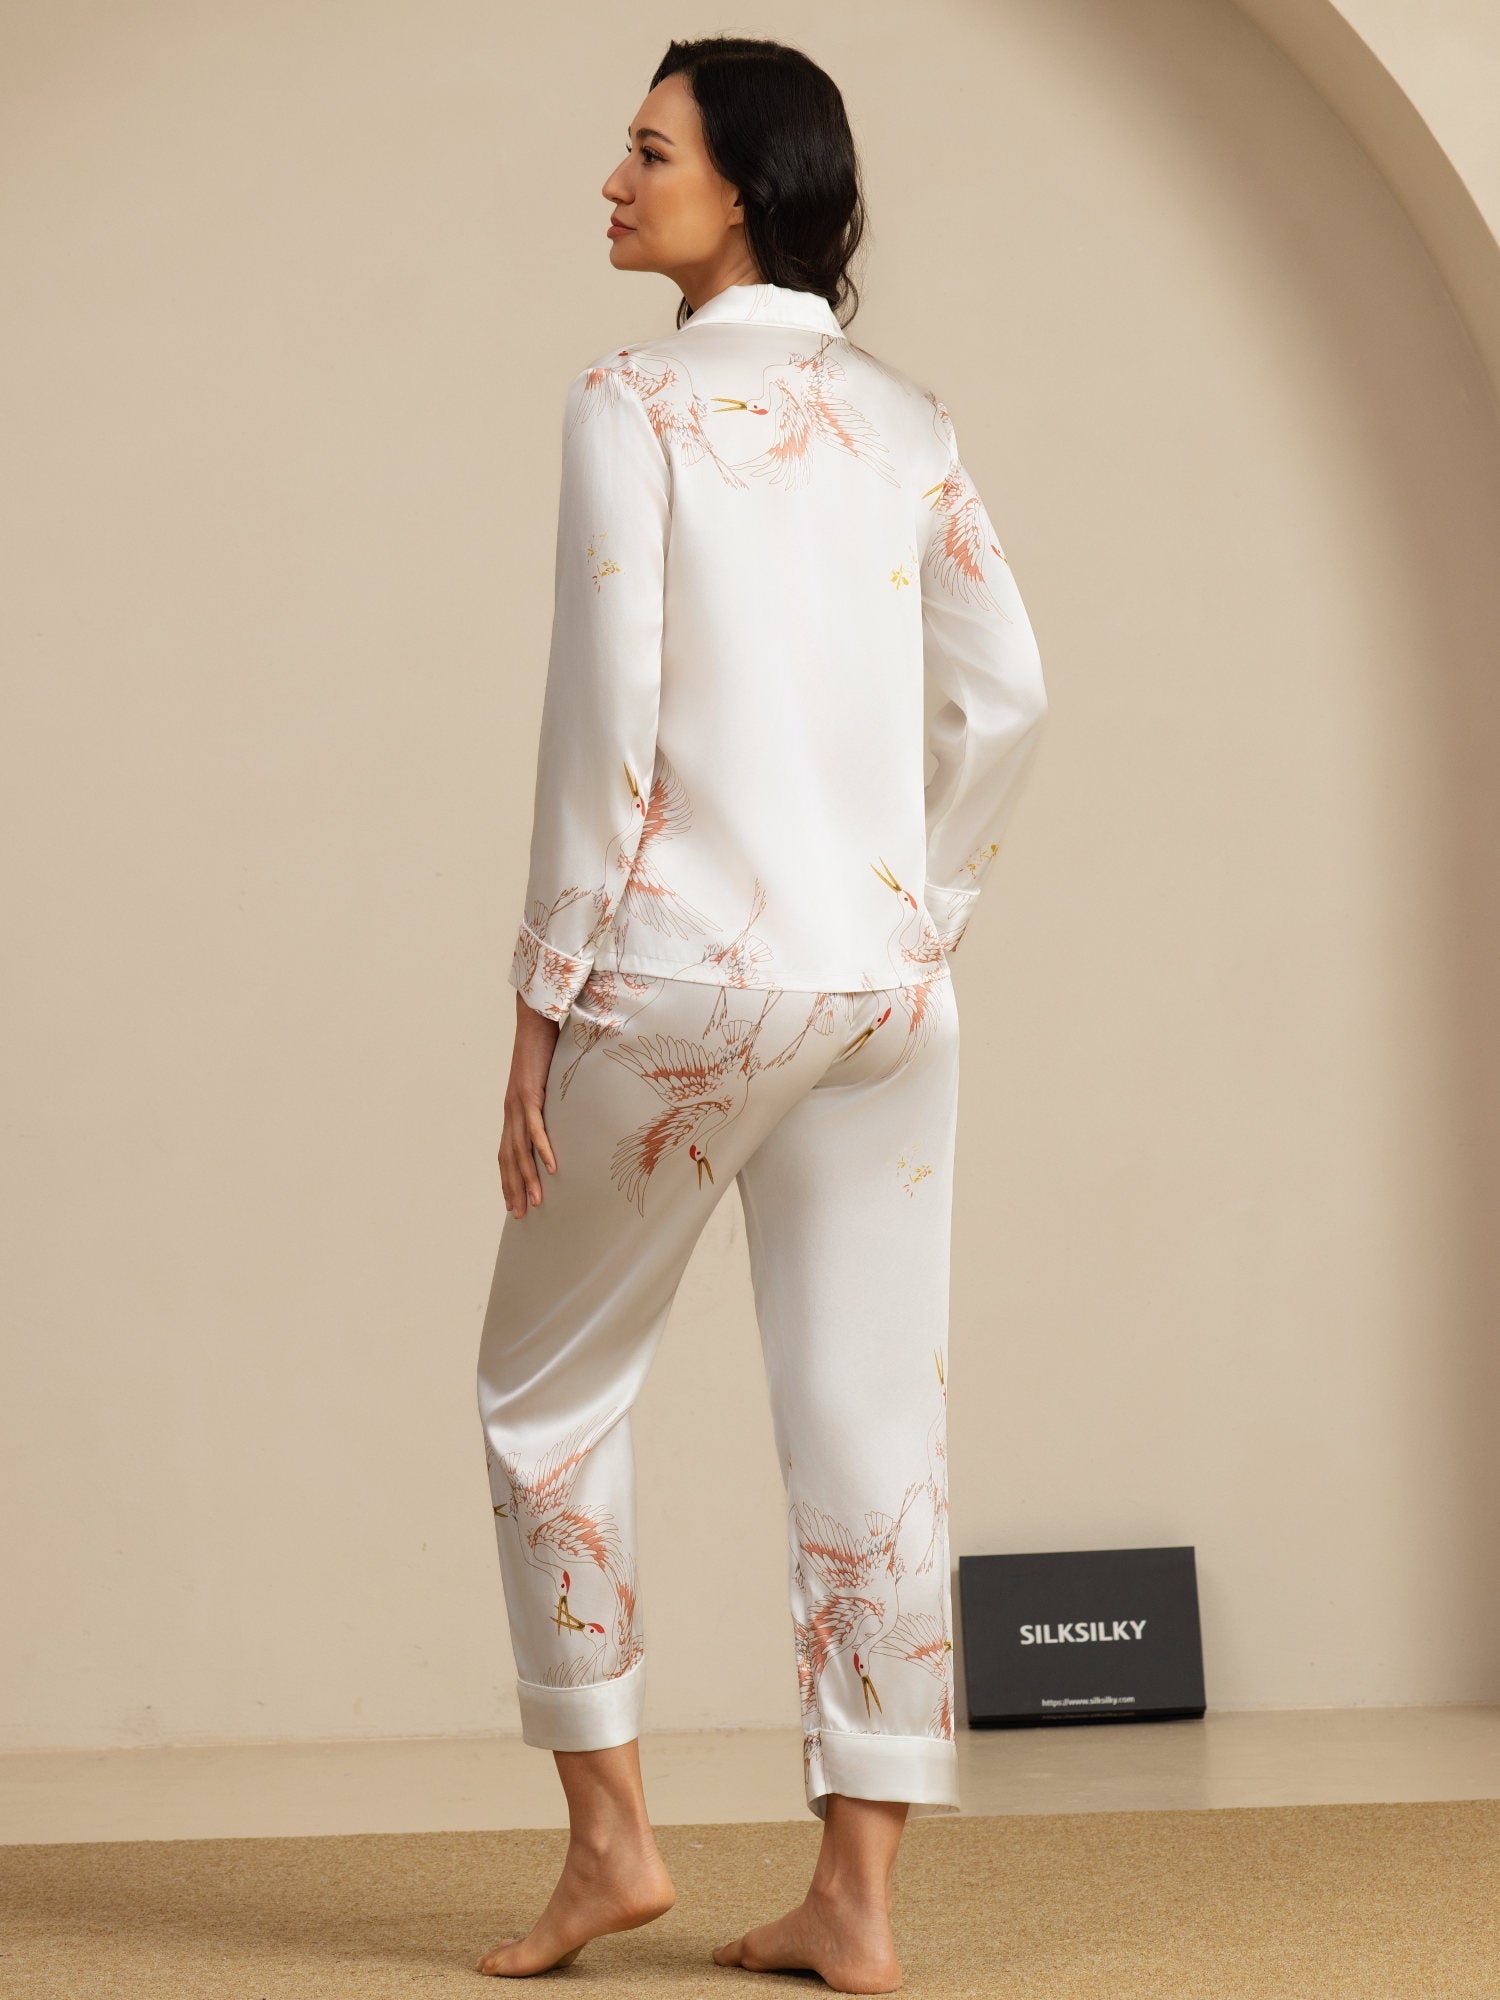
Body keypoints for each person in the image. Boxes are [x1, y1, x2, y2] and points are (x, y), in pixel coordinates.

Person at [474, 34, 1048, 1991]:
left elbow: (604, 720)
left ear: (745, 188)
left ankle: (611, 1845)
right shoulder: (904, 416)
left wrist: (542, 1001)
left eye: (649, 152)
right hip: (883, 988)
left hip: (685, 978)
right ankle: (857, 1901)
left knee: (546, 1391)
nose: (614, 181)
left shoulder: (628, 401)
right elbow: (1014, 693)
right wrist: (923, 907)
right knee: (875, 1416)